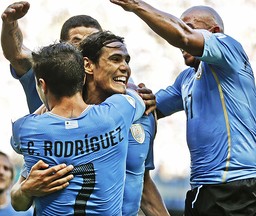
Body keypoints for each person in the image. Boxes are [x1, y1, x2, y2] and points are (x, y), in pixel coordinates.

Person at [1, 2, 170, 216]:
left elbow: (143, 182)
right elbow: (17, 55)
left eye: (93, 42)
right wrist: (25, 190)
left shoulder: (143, 112)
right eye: (77, 43)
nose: (83, 49)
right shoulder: (52, 107)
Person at [110, 0, 256, 215]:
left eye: (189, 25)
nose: (180, 39)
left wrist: (136, 5)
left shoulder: (228, 48)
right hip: (202, 188)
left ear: (214, 32)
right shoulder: (186, 79)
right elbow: (150, 107)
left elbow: (182, 37)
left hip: (235, 185)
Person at [11, 41, 146, 215]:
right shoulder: (117, 112)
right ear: (82, 78)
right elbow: (136, 97)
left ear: (43, 85)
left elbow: (18, 205)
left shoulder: (25, 129)